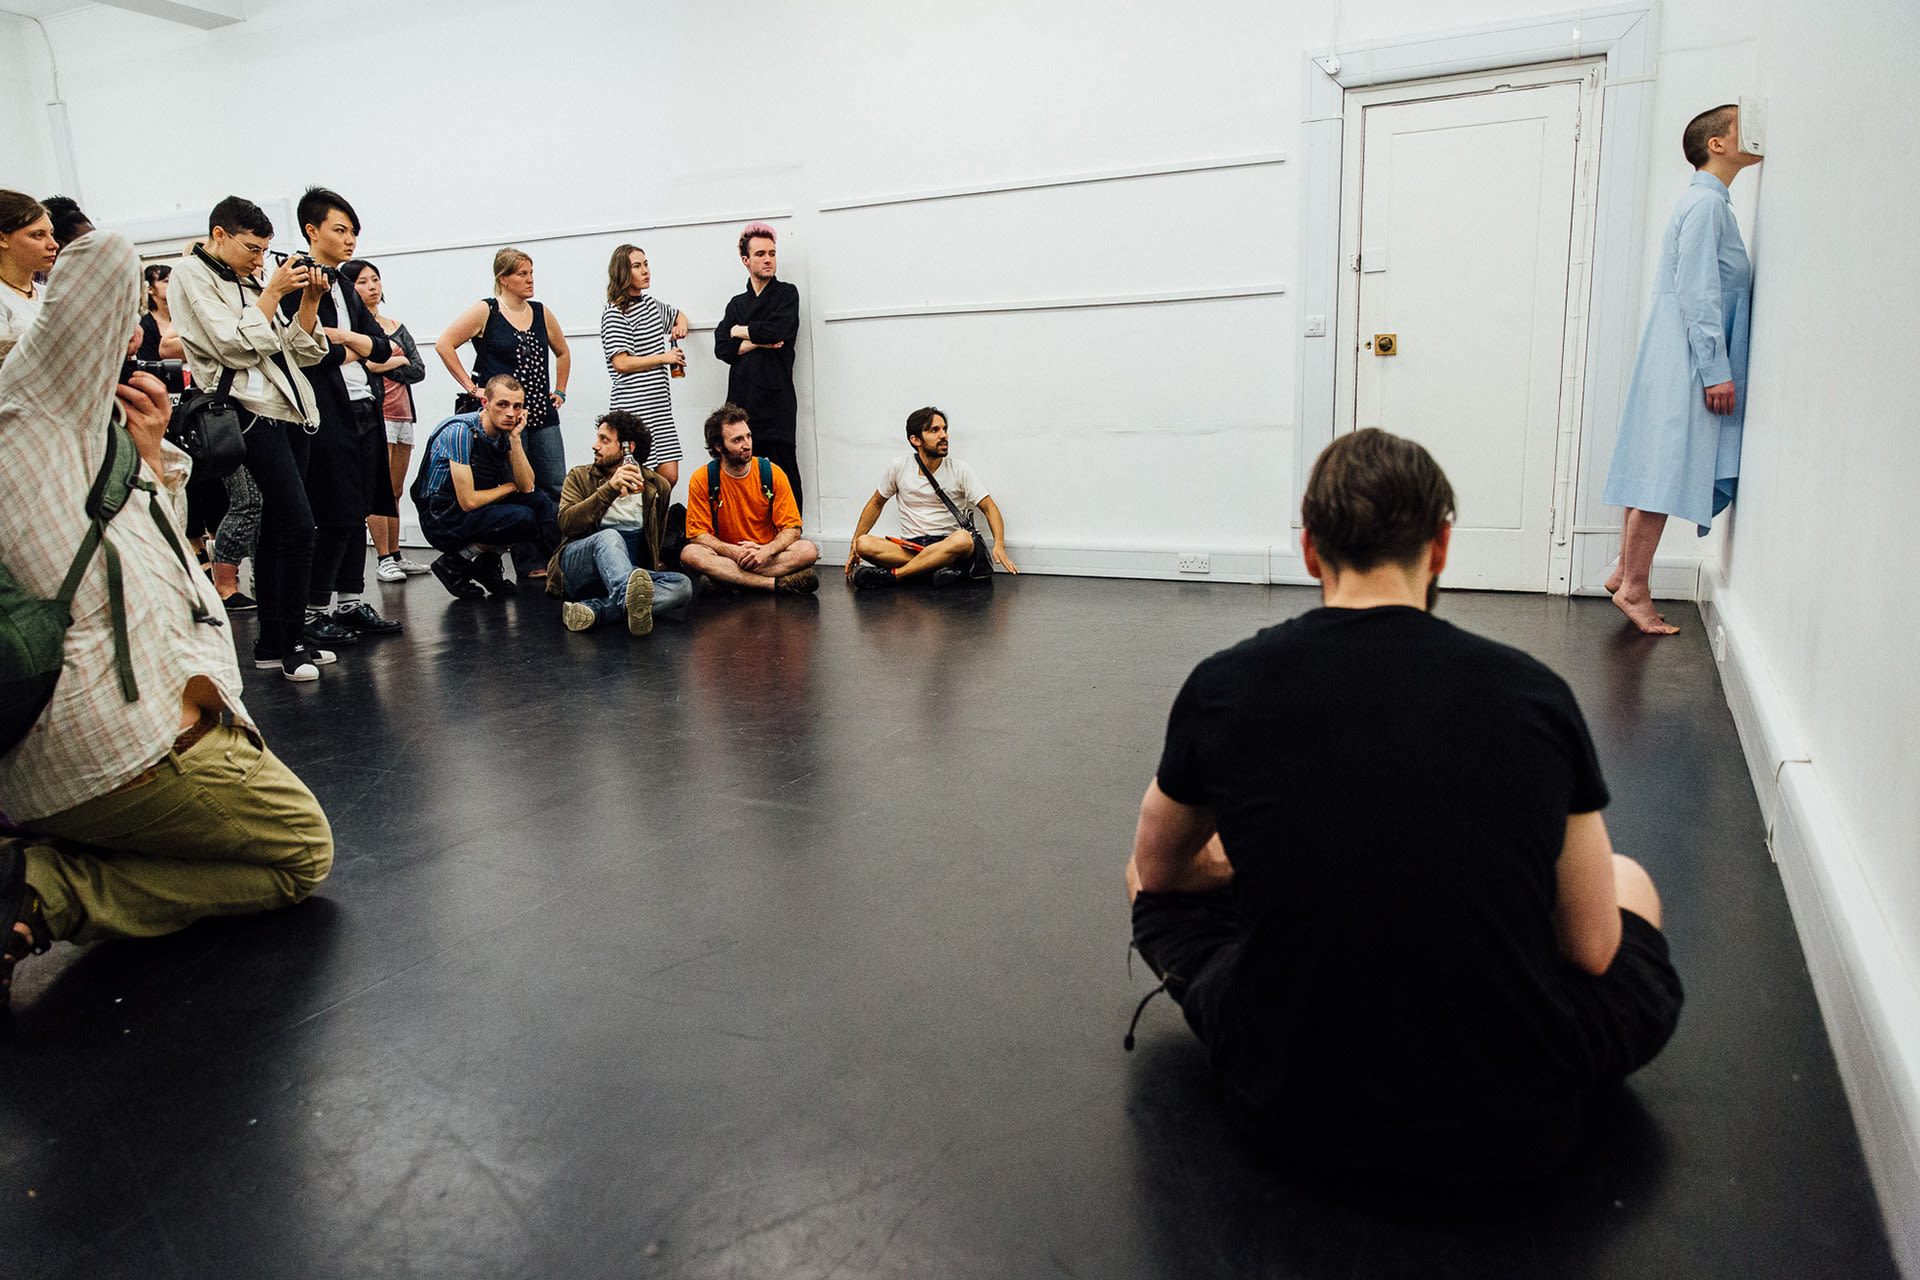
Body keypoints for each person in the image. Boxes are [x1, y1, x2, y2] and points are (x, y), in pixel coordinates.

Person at [1125, 427, 1682, 1182]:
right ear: (1442, 546)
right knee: (1628, 881)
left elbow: (1155, 875)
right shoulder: (1532, 695)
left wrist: (1247, 869)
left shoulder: (1224, 685)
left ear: (1310, 550)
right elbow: (1590, 949)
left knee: (1168, 892)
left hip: (1287, 1108)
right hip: (1515, 1125)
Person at [0, 230, 334, 1009]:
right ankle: (45, 888)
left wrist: (148, 463)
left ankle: (50, 857)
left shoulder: (54, 438)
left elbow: (147, 558)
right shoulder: (28, 400)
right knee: (299, 854)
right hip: (124, 743)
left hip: (32, 765)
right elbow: (106, 255)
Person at [1601, 104, 1761, 635]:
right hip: (1688, 359)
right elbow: (1698, 291)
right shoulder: (1706, 207)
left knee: (1654, 464)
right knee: (1663, 471)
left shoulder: (1707, 205)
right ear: (1716, 144)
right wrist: (1716, 369)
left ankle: (1626, 571)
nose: (1756, 135)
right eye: (1743, 127)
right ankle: (1635, 587)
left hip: (1677, 353)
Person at [170, 195, 336, 680]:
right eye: (251, 248)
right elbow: (233, 346)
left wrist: (307, 300)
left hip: (288, 410)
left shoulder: (250, 277)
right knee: (300, 527)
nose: (260, 260)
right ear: (218, 235)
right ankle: (292, 642)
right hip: (244, 409)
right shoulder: (189, 275)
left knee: (282, 529)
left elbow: (296, 350)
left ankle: (275, 641)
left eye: (265, 250)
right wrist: (271, 293)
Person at [281, 188, 402, 646]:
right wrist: (349, 347)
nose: (350, 239)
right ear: (312, 231)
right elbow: (309, 351)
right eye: (340, 230)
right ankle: (315, 611)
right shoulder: (294, 280)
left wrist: (345, 338)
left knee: (361, 509)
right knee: (334, 512)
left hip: (364, 408)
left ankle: (350, 603)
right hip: (324, 411)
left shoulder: (347, 283)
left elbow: (386, 346)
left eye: (353, 232)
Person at [435, 247, 571, 578]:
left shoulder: (540, 312)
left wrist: (560, 391)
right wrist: (472, 386)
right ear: (503, 279)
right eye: (522, 273)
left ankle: (562, 556)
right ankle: (529, 562)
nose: (530, 279)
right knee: (518, 486)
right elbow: (444, 344)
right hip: (506, 416)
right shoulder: (487, 310)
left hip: (541, 412)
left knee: (554, 484)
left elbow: (563, 351)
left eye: (531, 272)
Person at [413, 374, 560, 600]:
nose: (511, 413)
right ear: (485, 403)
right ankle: (453, 563)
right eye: (502, 404)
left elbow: (528, 486)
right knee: (521, 516)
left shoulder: (504, 432)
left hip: (469, 511)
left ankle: (487, 566)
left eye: (517, 406)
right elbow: (468, 501)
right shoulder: (460, 431)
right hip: (441, 518)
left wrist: (516, 439)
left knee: (538, 503)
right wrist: (510, 487)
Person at [548, 410, 694, 634]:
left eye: (604, 440)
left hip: (628, 570)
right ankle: (627, 598)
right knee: (609, 537)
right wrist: (610, 489)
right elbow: (567, 523)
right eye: (598, 438)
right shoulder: (578, 476)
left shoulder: (657, 486)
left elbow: (655, 538)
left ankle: (595, 611)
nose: (595, 445)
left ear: (628, 448)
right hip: (579, 568)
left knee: (683, 586)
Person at [845, 406, 1018, 588]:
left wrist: (999, 544)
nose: (943, 435)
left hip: (948, 545)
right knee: (863, 543)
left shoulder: (959, 469)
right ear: (915, 439)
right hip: (910, 547)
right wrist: (853, 548)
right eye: (935, 430)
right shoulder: (899, 467)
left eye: (944, 429)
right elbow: (876, 503)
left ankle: (896, 575)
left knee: (963, 539)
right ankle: (933, 569)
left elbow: (989, 507)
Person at [340, 259, 431, 584]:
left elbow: (417, 369)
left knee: (394, 489)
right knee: (377, 488)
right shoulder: (353, 328)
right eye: (363, 281)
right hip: (375, 412)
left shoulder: (396, 325)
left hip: (403, 412)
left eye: (375, 279)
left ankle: (396, 554)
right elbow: (361, 366)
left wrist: (384, 362)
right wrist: (390, 360)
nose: (372, 286)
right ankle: (383, 558)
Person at [679, 402, 820, 594]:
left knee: (808, 550)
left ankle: (728, 579)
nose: (747, 445)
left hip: (766, 554)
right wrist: (734, 552)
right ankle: (771, 584)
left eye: (748, 436)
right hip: (727, 555)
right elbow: (697, 535)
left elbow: (792, 529)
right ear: (719, 446)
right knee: (690, 554)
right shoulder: (703, 478)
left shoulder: (772, 473)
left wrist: (765, 551)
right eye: (737, 440)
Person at [713, 223, 803, 512]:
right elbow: (721, 348)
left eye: (772, 253)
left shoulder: (786, 294)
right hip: (741, 402)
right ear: (746, 260)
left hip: (776, 401)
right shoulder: (736, 304)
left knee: (781, 472)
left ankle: (790, 536)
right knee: (741, 473)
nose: (768, 259)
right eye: (761, 254)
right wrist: (754, 338)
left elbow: (778, 332)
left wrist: (739, 332)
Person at [600, 244, 689, 489]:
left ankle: (660, 527)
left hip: (660, 408)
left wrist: (679, 326)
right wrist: (664, 358)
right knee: (637, 481)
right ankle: (644, 528)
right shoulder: (615, 312)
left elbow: (679, 315)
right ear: (622, 272)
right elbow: (621, 362)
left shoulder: (650, 304)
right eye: (637, 266)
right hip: (633, 409)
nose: (645, 271)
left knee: (669, 477)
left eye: (646, 264)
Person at [0, 192, 56, 348]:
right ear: (2, 239)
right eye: (38, 235)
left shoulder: (50, 294)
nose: (53, 245)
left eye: (51, 234)